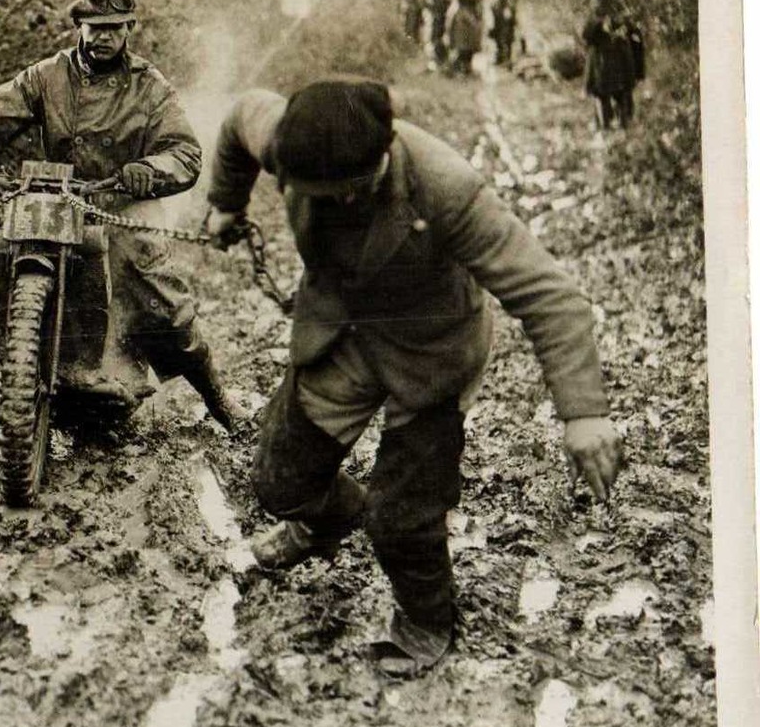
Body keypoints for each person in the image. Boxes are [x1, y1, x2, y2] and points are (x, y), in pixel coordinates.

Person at [203, 79, 623, 678]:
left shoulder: (444, 186)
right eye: (313, 194)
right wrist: (227, 202)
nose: (332, 205)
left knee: (401, 518)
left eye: (346, 194)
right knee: (279, 482)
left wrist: (583, 413)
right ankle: (327, 522)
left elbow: (550, 298)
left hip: (432, 350)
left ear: (378, 161)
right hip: (342, 332)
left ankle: (427, 622)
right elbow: (239, 113)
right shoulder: (288, 136)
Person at [0, 0, 246, 434]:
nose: (101, 36)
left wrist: (149, 169)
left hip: (119, 205)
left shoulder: (149, 87)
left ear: (129, 28)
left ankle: (221, 404)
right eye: (92, 26)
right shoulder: (47, 75)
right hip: (53, 197)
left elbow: (185, 154)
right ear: (78, 27)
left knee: (160, 299)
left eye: (112, 28)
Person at [581, 0, 644, 130]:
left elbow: (633, 35)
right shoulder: (596, 17)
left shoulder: (615, 15)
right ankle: (608, 126)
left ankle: (617, 125)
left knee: (615, 94)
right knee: (606, 95)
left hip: (612, 62)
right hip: (604, 62)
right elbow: (587, 36)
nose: (599, 2)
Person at [444, 0, 485, 76]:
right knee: (461, 50)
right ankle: (456, 70)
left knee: (467, 50)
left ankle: (465, 69)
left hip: (466, 30)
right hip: (461, 30)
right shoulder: (459, 6)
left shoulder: (469, 5)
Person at [486, 0, 519, 68]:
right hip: (497, 10)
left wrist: (508, 8)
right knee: (497, 33)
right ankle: (500, 56)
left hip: (505, 10)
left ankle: (506, 58)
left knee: (505, 34)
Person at [418, 0, 450, 71]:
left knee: (439, 35)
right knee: (431, 35)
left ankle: (439, 61)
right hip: (431, 11)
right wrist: (427, 8)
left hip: (441, 11)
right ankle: (431, 61)